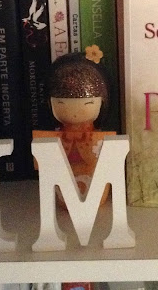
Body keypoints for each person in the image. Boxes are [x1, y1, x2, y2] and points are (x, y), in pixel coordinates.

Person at [33, 47, 115, 203]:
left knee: (94, 187)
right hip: (63, 177)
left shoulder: (99, 137)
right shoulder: (54, 137)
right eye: (61, 104)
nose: (76, 113)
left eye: (88, 104)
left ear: (102, 103)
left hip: (93, 176)